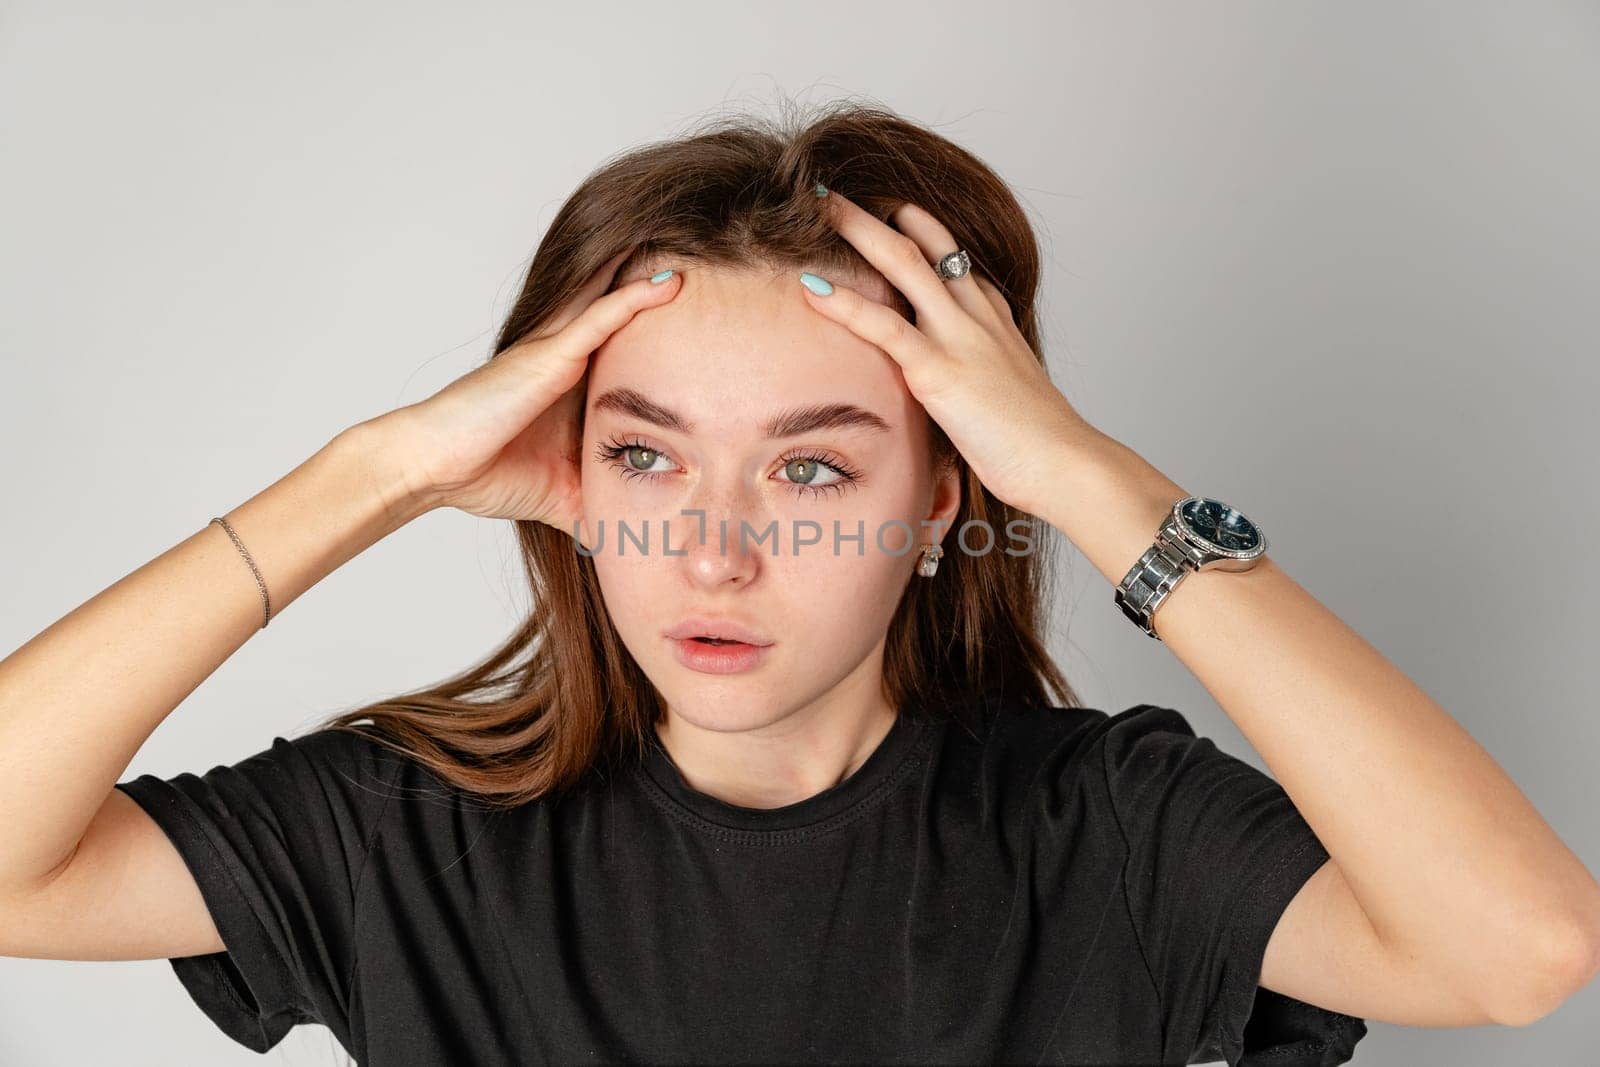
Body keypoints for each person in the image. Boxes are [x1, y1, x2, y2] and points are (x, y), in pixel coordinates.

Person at [2, 100, 1594, 1066]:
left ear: (943, 499)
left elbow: (1516, 951)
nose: (714, 548)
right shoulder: (401, 833)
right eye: (644, 454)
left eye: (815, 467)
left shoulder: (1103, 835)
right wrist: (371, 476)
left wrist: (1094, 481)